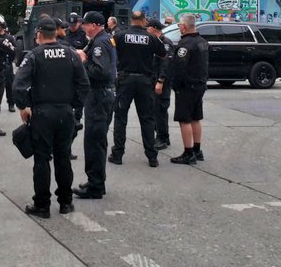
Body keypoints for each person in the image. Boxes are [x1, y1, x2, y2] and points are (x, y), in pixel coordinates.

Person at [14, 17, 89, 219]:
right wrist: (74, 106)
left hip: (42, 113)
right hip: (65, 112)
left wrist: (24, 107)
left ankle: (42, 205)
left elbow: (18, 85)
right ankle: (65, 202)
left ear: (38, 35)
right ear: (55, 33)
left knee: (42, 159)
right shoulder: (71, 54)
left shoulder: (33, 56)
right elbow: (84, 84)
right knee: (63, 158)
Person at [109, 11, 167, 167]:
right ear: (143, 21)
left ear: (131, 20)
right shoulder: (151, 38)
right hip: (145, 82)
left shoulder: (119, 36)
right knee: (147, 119)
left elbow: (109, 49)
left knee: (120, 118)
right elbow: (163, 54)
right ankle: (152, 157)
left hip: (125, 80)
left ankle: (118, 154)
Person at [72, 11, 115, 199]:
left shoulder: (100, 43)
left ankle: (95, 186)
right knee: (95, 140)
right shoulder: (102, 40)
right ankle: (96, 180)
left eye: (86, 24)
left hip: (99, 95)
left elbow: (100, 71)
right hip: (101, 95)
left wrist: (83, 60)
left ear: (95, 25)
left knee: (94, 141)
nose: (83, 27)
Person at [164, 15, 209, 165]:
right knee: (196, 117)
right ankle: (197, 149)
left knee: (185, 120)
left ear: (184, 27)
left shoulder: (185, 45)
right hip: (200, 84)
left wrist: (175, 85)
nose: (178, 28)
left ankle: (188, 153)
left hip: (187, 86)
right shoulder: (202, 42)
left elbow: (179, 68)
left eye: (179, 26)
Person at [146, 18, 174, 151]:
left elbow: (166, 64)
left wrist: (160, 81)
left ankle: (163, 138)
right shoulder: (154, 41)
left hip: (161, 82)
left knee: (161, 110)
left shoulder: (165, 42)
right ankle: (161, 135)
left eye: (148, 28)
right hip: (153, 80)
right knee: (154, 109)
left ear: (152, 29)